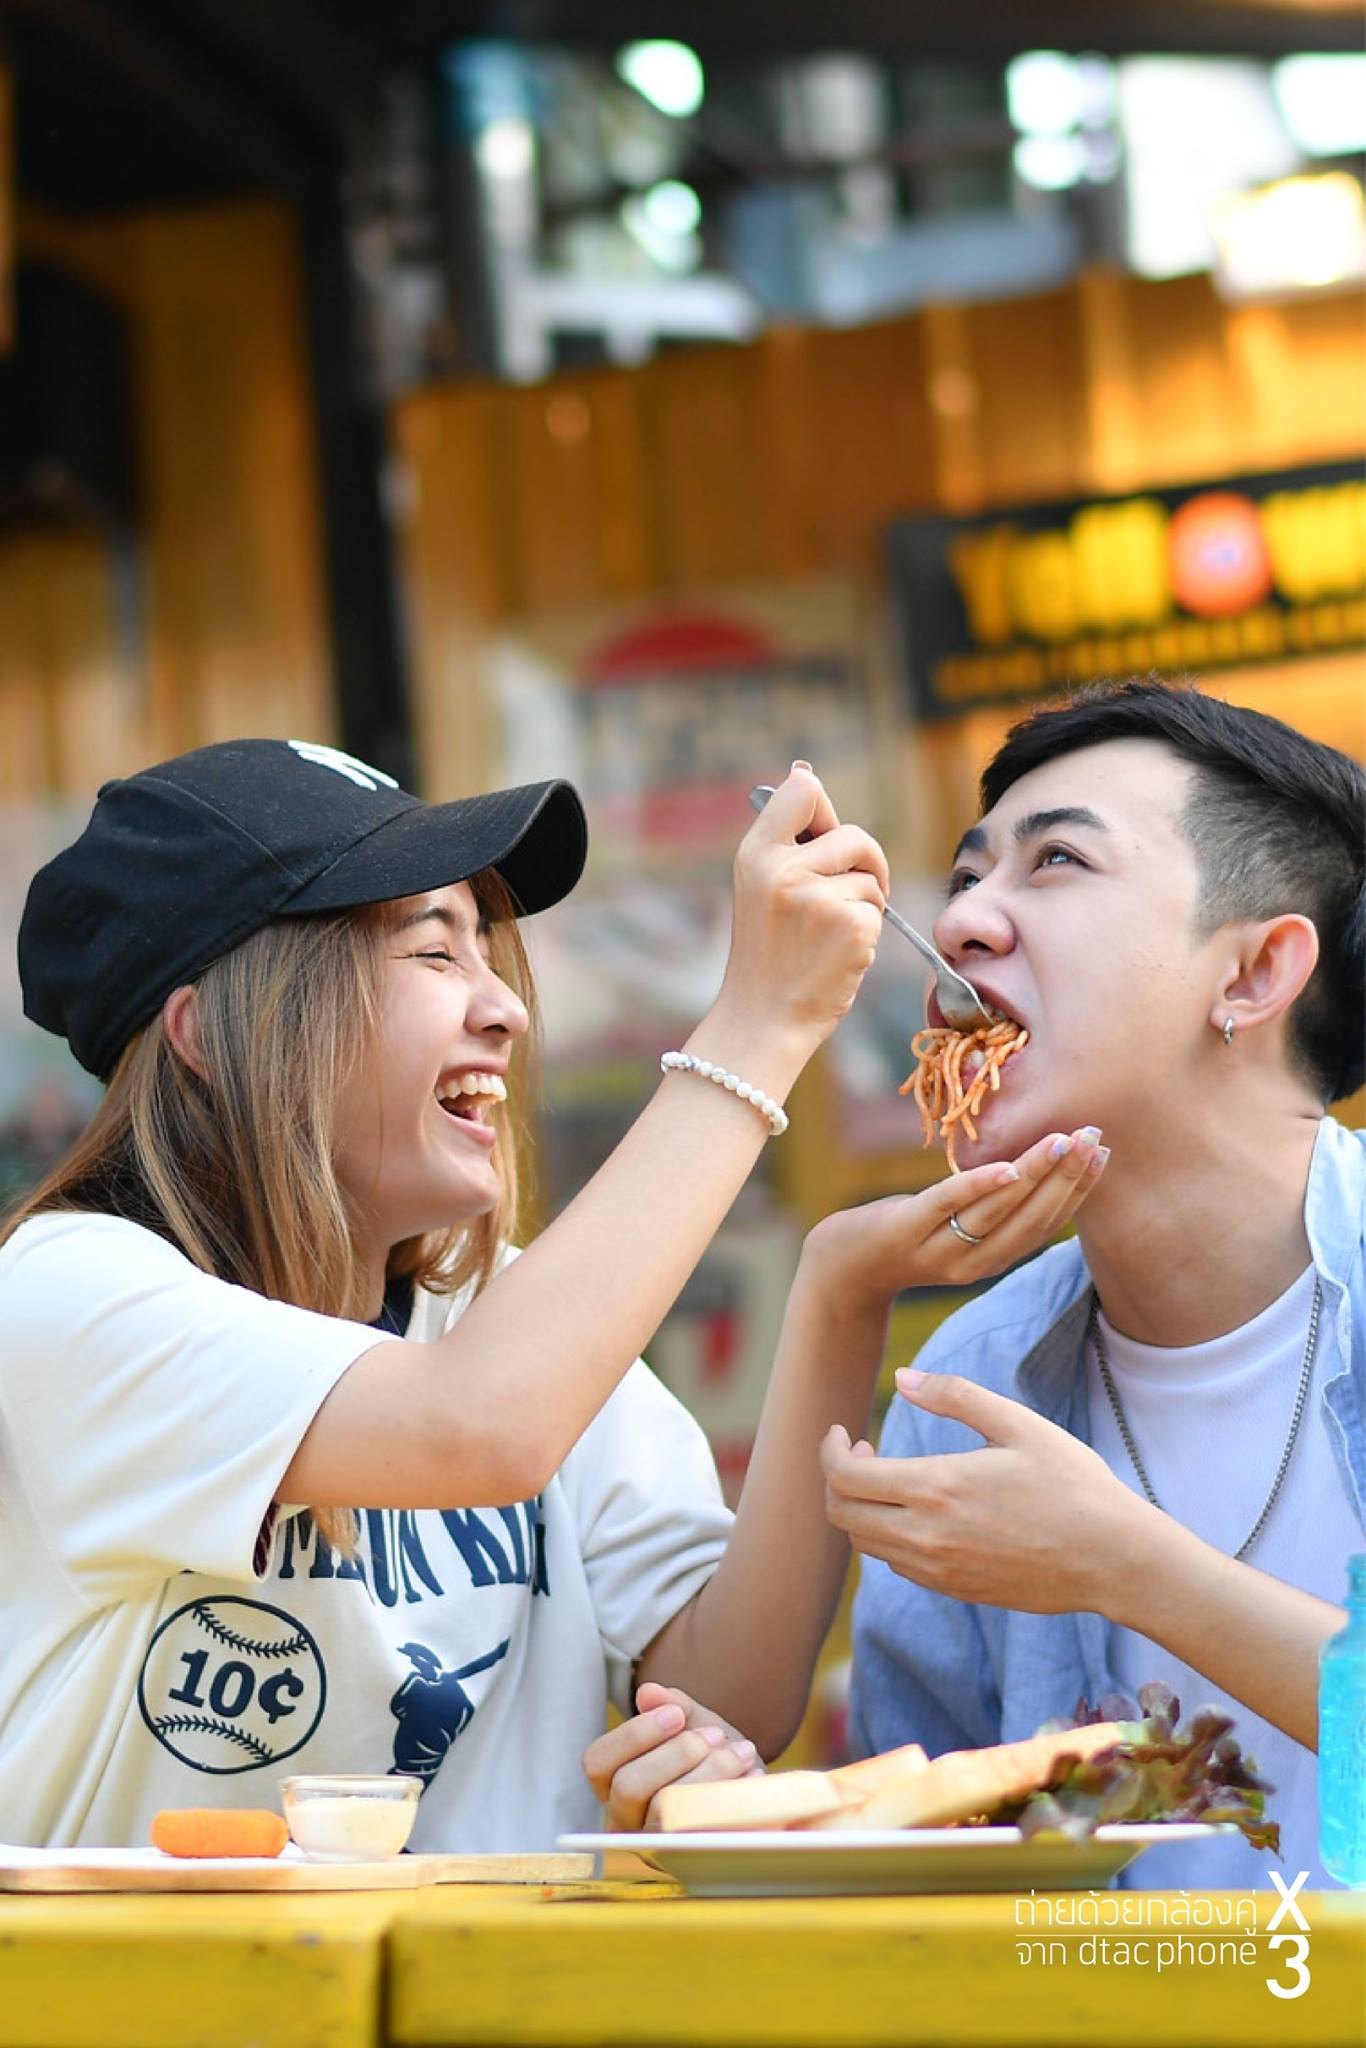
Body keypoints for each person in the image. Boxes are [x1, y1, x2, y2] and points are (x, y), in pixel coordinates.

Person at [0, 737, 1100, 1851]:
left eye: (486, 951)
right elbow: (476, 1426)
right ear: (206, 1034)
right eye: (435, 952)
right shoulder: (65, 1291)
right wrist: (758, 1025)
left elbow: (731, 1693)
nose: (505, 1010)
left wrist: (839, 1292)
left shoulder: (505, 1314)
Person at [829, 679, 1365, 1889]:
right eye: (967, 876)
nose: (963, 921)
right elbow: (928, 1880)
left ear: (1254, 972)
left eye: (1057, 860)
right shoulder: (968, 1383)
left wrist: (1127, 1563)